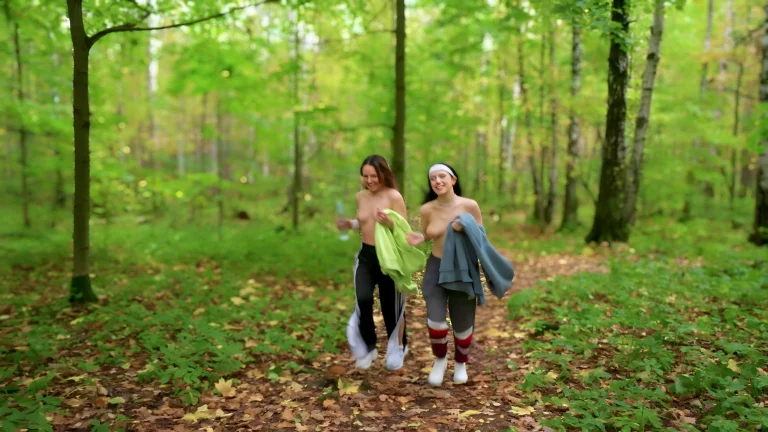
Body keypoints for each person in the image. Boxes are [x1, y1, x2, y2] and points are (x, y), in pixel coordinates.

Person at [406, 163, 513, 386]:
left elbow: (480, 236)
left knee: (463, 322)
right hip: (436, 267)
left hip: (463, 267)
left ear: (453, 180)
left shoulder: (469, 206)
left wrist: (466, 227)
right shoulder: (427, 209)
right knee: (436, 321)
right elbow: (429, 233)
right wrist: (420, 238)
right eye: (433, 178)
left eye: (442, 176)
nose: (437, 181)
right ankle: (440, 361)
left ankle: (461, 364)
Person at [336, 155, 409, 371]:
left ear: (383, 174)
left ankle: (398, 346)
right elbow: (364, 221)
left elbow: (405, 232)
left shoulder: (394, 196)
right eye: (365, 176)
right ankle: (369, 346)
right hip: (366, 256)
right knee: (363, 299)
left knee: (390, 306)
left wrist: (389, 222)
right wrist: (350, 223)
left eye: (374, 176)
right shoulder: (361, 196)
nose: (369, 180)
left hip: (389, 257)